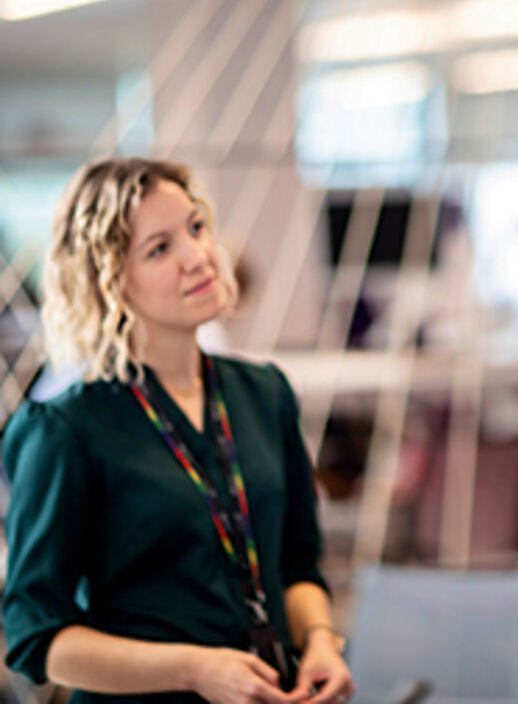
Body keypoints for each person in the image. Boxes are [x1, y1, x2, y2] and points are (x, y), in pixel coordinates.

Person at [2, 158, 356, 704]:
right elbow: (37, 635)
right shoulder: (66, 429)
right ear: (110, 280)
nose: (198, 256)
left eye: (195, 227)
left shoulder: (264, 394)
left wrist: (321, 642)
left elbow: (298, 568)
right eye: (159, 249)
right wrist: (194, 670)